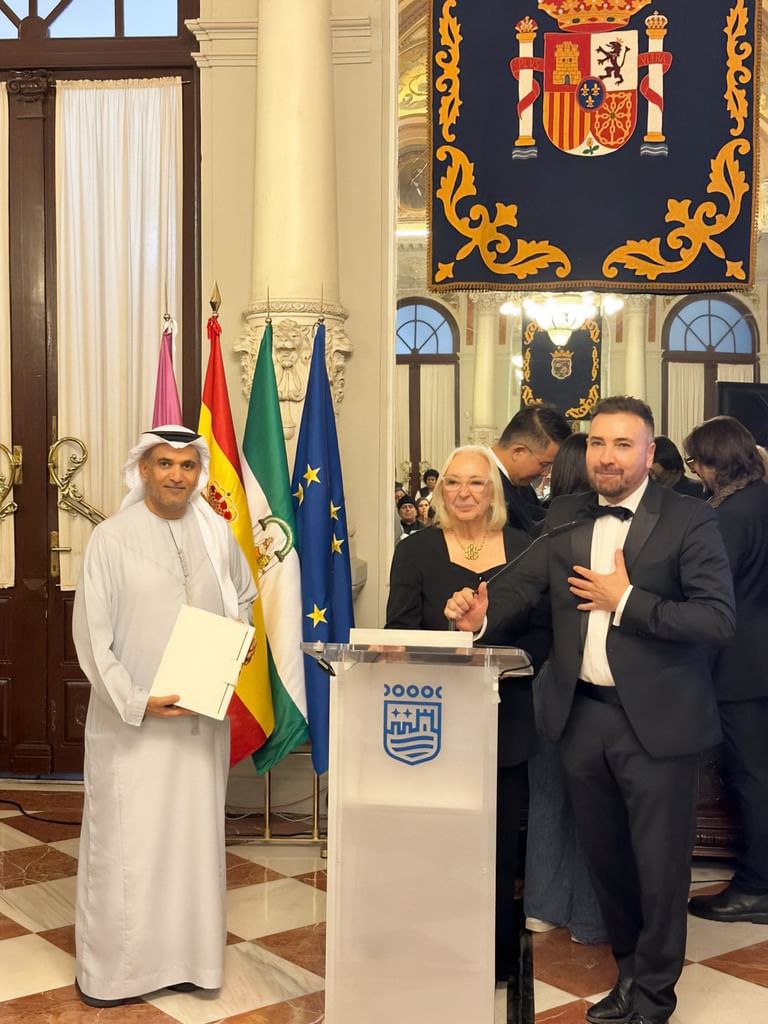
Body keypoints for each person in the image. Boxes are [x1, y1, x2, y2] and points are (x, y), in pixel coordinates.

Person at [445, 396, 736, 1024]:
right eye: (599, 443)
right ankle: (629, 976)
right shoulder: (566, 514)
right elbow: (522, 586)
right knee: (607, 862)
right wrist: (482, 616)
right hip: (582, 718)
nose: (607, 456)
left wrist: (625, 600)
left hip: (658, 725)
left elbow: (717, 619)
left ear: (649, 454)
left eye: (623, 445)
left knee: (658, 870)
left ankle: (655, 998)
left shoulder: (690, 519)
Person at [72, 426, 257, 1007]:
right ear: (144, 471)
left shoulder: (216, 533)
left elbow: (243, 597)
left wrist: (242, 639)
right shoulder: (110, 538)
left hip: (199, 724)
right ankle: (115, 974)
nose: (176, 475)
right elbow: (91, 638)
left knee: (192, 846)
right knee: (129, 848)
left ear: (198, 474)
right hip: (133, 727)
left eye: (186, 465)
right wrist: (136, 700)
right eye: (164, 464)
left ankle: (188, 962)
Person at [386, 445, 550, 983]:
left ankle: (496, 956)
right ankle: (437, 947)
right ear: (439, 491)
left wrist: (491, 642)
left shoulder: (525, 549)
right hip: (434, 722)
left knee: (499, 843)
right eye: (453, 482)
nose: (463, 493)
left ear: (494, 491)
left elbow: (544, 634)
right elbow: (398, 633)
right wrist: (453, 634)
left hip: (506, 717)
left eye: (476, 483)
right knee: (438, 839)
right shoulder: (415, 550)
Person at [684, 417, 768, 924]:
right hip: (759, 659)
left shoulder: (728, 514)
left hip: (739, 666)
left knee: (750, 777)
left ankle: (757, 887)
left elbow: (714, 596)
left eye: (696, 461)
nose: (695, 470)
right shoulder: (761, 499)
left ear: (715, 462)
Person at [524, 432, 607, 945]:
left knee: (548, 797)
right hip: (591, 681)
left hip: (544, 676)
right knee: (594, 804)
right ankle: (590, 919)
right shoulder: (605, 536)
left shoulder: (542, 531)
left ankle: (541, 907)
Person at [492, 403, 572, 532]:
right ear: (518, 452)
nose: (545, 473)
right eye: (544, 464)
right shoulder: (483, 485)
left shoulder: (520, 482)